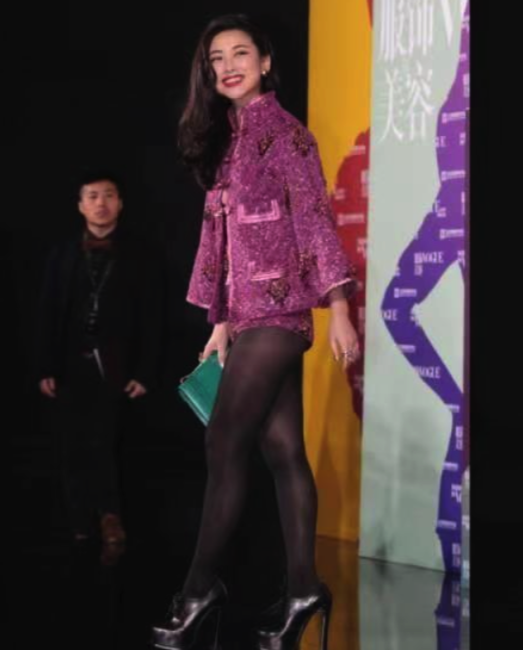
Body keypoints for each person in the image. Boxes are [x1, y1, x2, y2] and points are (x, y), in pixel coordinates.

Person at [151, 14, 359, 650]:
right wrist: (219, 322)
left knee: (223, 442)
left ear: (266, 62)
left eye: (240, 53)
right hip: (244, 318)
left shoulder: (288, 135)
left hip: (281, 311)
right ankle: (304, 590)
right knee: (284, 451)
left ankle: (198, 591)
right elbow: (221, 240)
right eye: (217, 58)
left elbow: (316, 219)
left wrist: (340, 306)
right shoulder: (228, 141)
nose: (228, 66)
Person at [36, 170, 162, 562]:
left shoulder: (140, 255)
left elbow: (153, 317)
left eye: (108, 195)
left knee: (110, 443)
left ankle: (111, 517)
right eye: (92, 196)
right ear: (80, 205)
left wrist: (144, 371)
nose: (100, 203)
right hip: (70, 363)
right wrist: (45, 366)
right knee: (71, 446)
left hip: (116, 365)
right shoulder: (62, 254)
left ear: (120, 203)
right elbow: (47, 313)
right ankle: (78, 521)